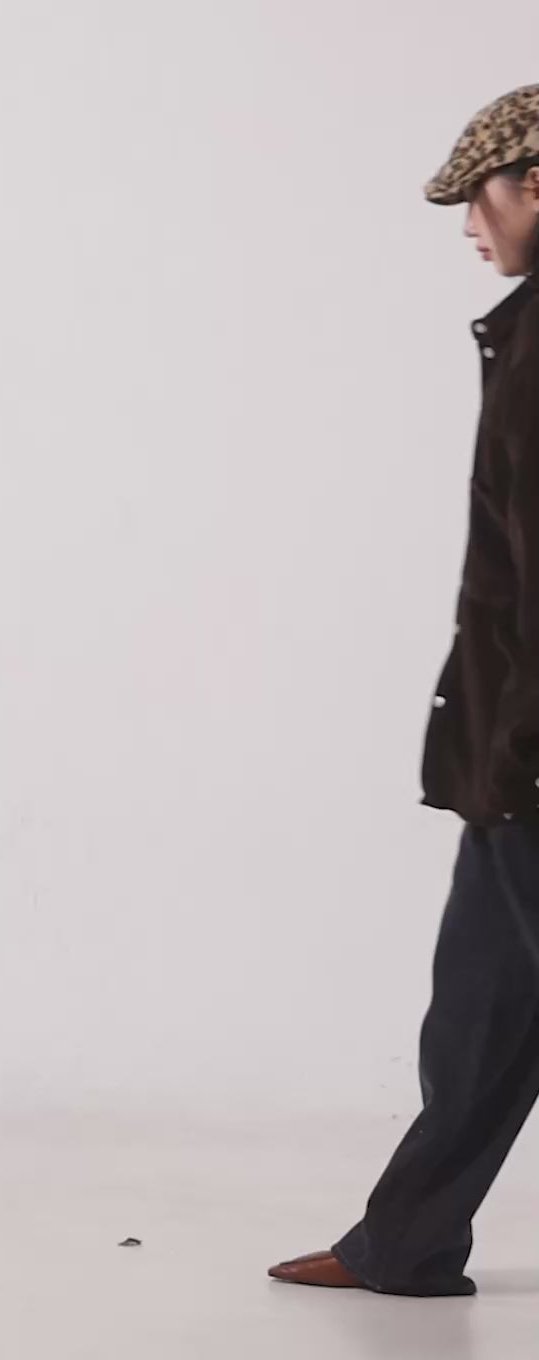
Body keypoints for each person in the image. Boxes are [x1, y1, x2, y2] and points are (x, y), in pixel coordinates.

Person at [268, 83, 539, 1298]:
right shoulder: (523, 331)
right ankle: (407, 1243)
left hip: (530, 746)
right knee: (478, 1009)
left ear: (535, 184)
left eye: (476, 199)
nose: (468, 227)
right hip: (507, 748)